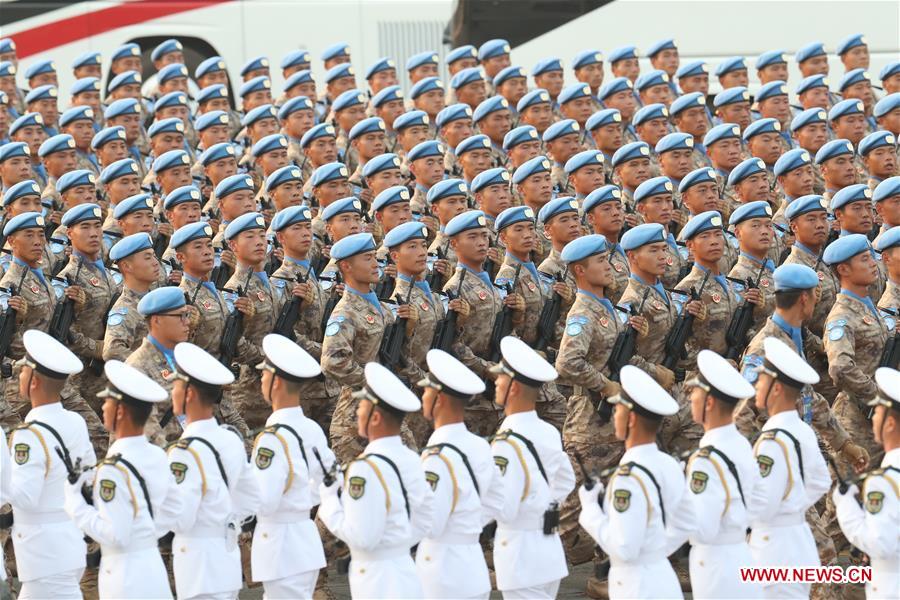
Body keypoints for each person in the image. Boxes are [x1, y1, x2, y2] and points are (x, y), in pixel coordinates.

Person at [63, 360, 180, 599]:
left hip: (126, 581)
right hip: (152, 569)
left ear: (119, 411)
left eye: (107, 401)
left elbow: (116, 534)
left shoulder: (112, 469)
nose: (103, 406)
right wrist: (144, 534)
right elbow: (174, 510)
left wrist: (74, 503)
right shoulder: (157, 455)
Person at [577, 364, 695, 600]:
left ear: (630, 418)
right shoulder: (668, 464)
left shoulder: (628, 477)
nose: (614, 416)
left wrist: (590, 512)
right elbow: (686, 522)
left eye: (617, 410)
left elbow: (624, 549)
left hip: (637, 588)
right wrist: (654, 550)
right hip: (663, 580)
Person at [318, 362, 433, 599]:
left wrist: (328, 501)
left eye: (361, 406)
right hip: (405, 573)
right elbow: (425, 517)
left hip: (377, 582)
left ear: (376, 417)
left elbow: (362, 538)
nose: (357, 412)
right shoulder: (412, 459)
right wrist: (396, 543)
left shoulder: (364, 468)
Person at [166, 342, 260, 600]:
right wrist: (224, 521)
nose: (171, 392)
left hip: (198, 566)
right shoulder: (230, 438)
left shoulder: (184, 452)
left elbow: (180, 519)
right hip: (226, 558)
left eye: (175, 386)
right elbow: (250, 499)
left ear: (190, 394)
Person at [6, 330, 95, 599]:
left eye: (22, 371)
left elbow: (25, 497)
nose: (18, 376)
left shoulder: (28, 435)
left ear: (33, 381)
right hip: (69, 540)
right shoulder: (75, 422)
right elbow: (88, 475)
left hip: (42, 552)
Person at [251, 334, 336, 599]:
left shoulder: (272, 438)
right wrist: (300, 499)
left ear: (275, 382)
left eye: (264, 375)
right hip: (304, 539)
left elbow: (264, 502)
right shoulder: (309, 428)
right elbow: (330, 480)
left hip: (280, 547)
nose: (261, 380)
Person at [490, 336, 575, 599]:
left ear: (514, 388)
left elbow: (505, 508)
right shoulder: (547, 430)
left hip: (520, 556)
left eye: (501, 378)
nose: (495, 381)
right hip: (547, 548)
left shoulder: (507, 442)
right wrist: (541, 505)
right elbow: (566, 480)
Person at [321, 232, 417, 462]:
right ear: (346, 266)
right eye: (367, 259)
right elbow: (333, 362)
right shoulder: (344, 313)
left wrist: (410, 328)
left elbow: (397, 355)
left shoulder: (383, 309)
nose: (376, 264)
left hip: (386, 413)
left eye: (375, 257)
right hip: (354, 424)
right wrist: (375, 381)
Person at [416, 349, 503, 600]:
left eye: (428, 390)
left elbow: (431, 524)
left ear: (440, 399)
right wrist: (467, 524)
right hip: (473, 567)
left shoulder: (436, 455)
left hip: (442, 574)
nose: (424, 395)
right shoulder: (479, 445)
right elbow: (496, 502)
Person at [748, 337, 831, 599]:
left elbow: (763, 507)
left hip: (774, 550)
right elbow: (821, 481)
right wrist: (793, 506)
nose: (756, 385)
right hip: (798, 538)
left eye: (761, 379)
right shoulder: (801, 429)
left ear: (776, 389)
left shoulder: (771, 440)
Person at [684, 350, 762, 599]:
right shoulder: (740, 443)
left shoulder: (705, 459)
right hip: (742, 555)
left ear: (708, 402)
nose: (690, 397)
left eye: (694, 391)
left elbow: (702, 530)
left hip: (716, 569)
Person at [833, 367, 900, 600]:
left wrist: (845, 504)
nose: (874, 418)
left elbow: (879, 543)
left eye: (878, 412)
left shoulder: (884, 482)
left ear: (890, 423)